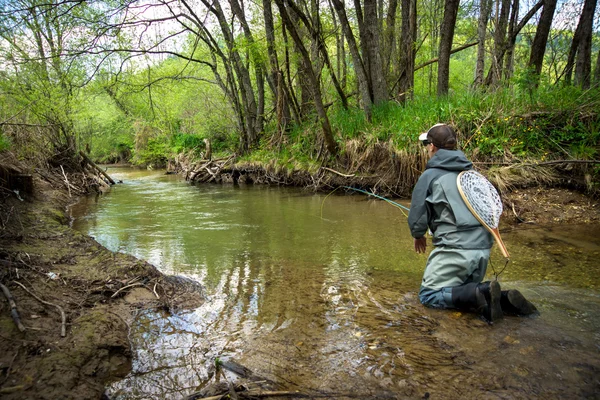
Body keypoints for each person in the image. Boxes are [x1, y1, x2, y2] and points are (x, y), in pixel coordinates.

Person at [407, 123, 537, 323]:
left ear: (432, 146)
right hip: (483, 249)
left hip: (455, 250)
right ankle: (504, 300)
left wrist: (418, 235)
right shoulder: (472, 174)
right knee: (459, 292)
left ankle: (481, 293)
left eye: (427, 145)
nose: (426, 148)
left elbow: (417, 212)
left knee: (429, 296)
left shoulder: (429, 176)